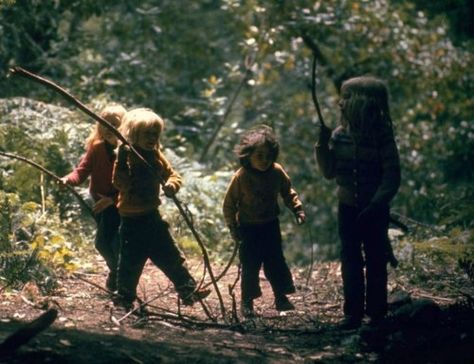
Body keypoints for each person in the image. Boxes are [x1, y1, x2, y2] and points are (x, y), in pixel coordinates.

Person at [314, 76, 401, 329]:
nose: (341, 103)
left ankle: (376, 313)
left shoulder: (382, 137)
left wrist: (376, 205)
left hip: (375, 210)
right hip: (348, 209)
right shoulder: (339, 136)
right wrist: (322, 144)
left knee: (375, 258)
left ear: (364, 102)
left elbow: (392, 176)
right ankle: (352, 313)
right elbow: (329, 172)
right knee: (350, 258)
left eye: (347, 98)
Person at [112, 108, 210, 310]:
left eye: (155, 134)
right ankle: (124, 299)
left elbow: (173, 175)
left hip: (152, 217)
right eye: (147, 134)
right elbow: (119, 183)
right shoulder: (126, 155)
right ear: (134, 134)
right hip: (131, 221)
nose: (152, 138)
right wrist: (122, 160)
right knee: (130, 263)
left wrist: (171, 186)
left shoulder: (156, 155)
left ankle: (188, 290)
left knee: (170, 254)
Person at [223, 125, 306, 317]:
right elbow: (229, 204)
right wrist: (233, 227)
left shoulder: (276, 172)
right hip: (248, 228)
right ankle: (247, 302)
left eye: (268, 156)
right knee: (250, 265)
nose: (264, 160)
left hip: (270, 226)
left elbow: (288, 192)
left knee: (275, 261)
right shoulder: (241, 177)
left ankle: (281, 297)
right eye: (259, 156)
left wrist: (297, 209)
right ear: (248, 155)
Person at [61, 104, 126, 292]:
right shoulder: (97, 148)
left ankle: (119, 275)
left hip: (119, 203)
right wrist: (68, 180)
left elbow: (131, 183)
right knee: (111, 241)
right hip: (99, 203)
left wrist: (112, 200)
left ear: (123, 127)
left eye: (114, 124)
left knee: (104, 243)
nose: (108, 128)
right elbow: (82, 170)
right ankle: (119, 276)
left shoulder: (126, 151)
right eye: (104, 123)